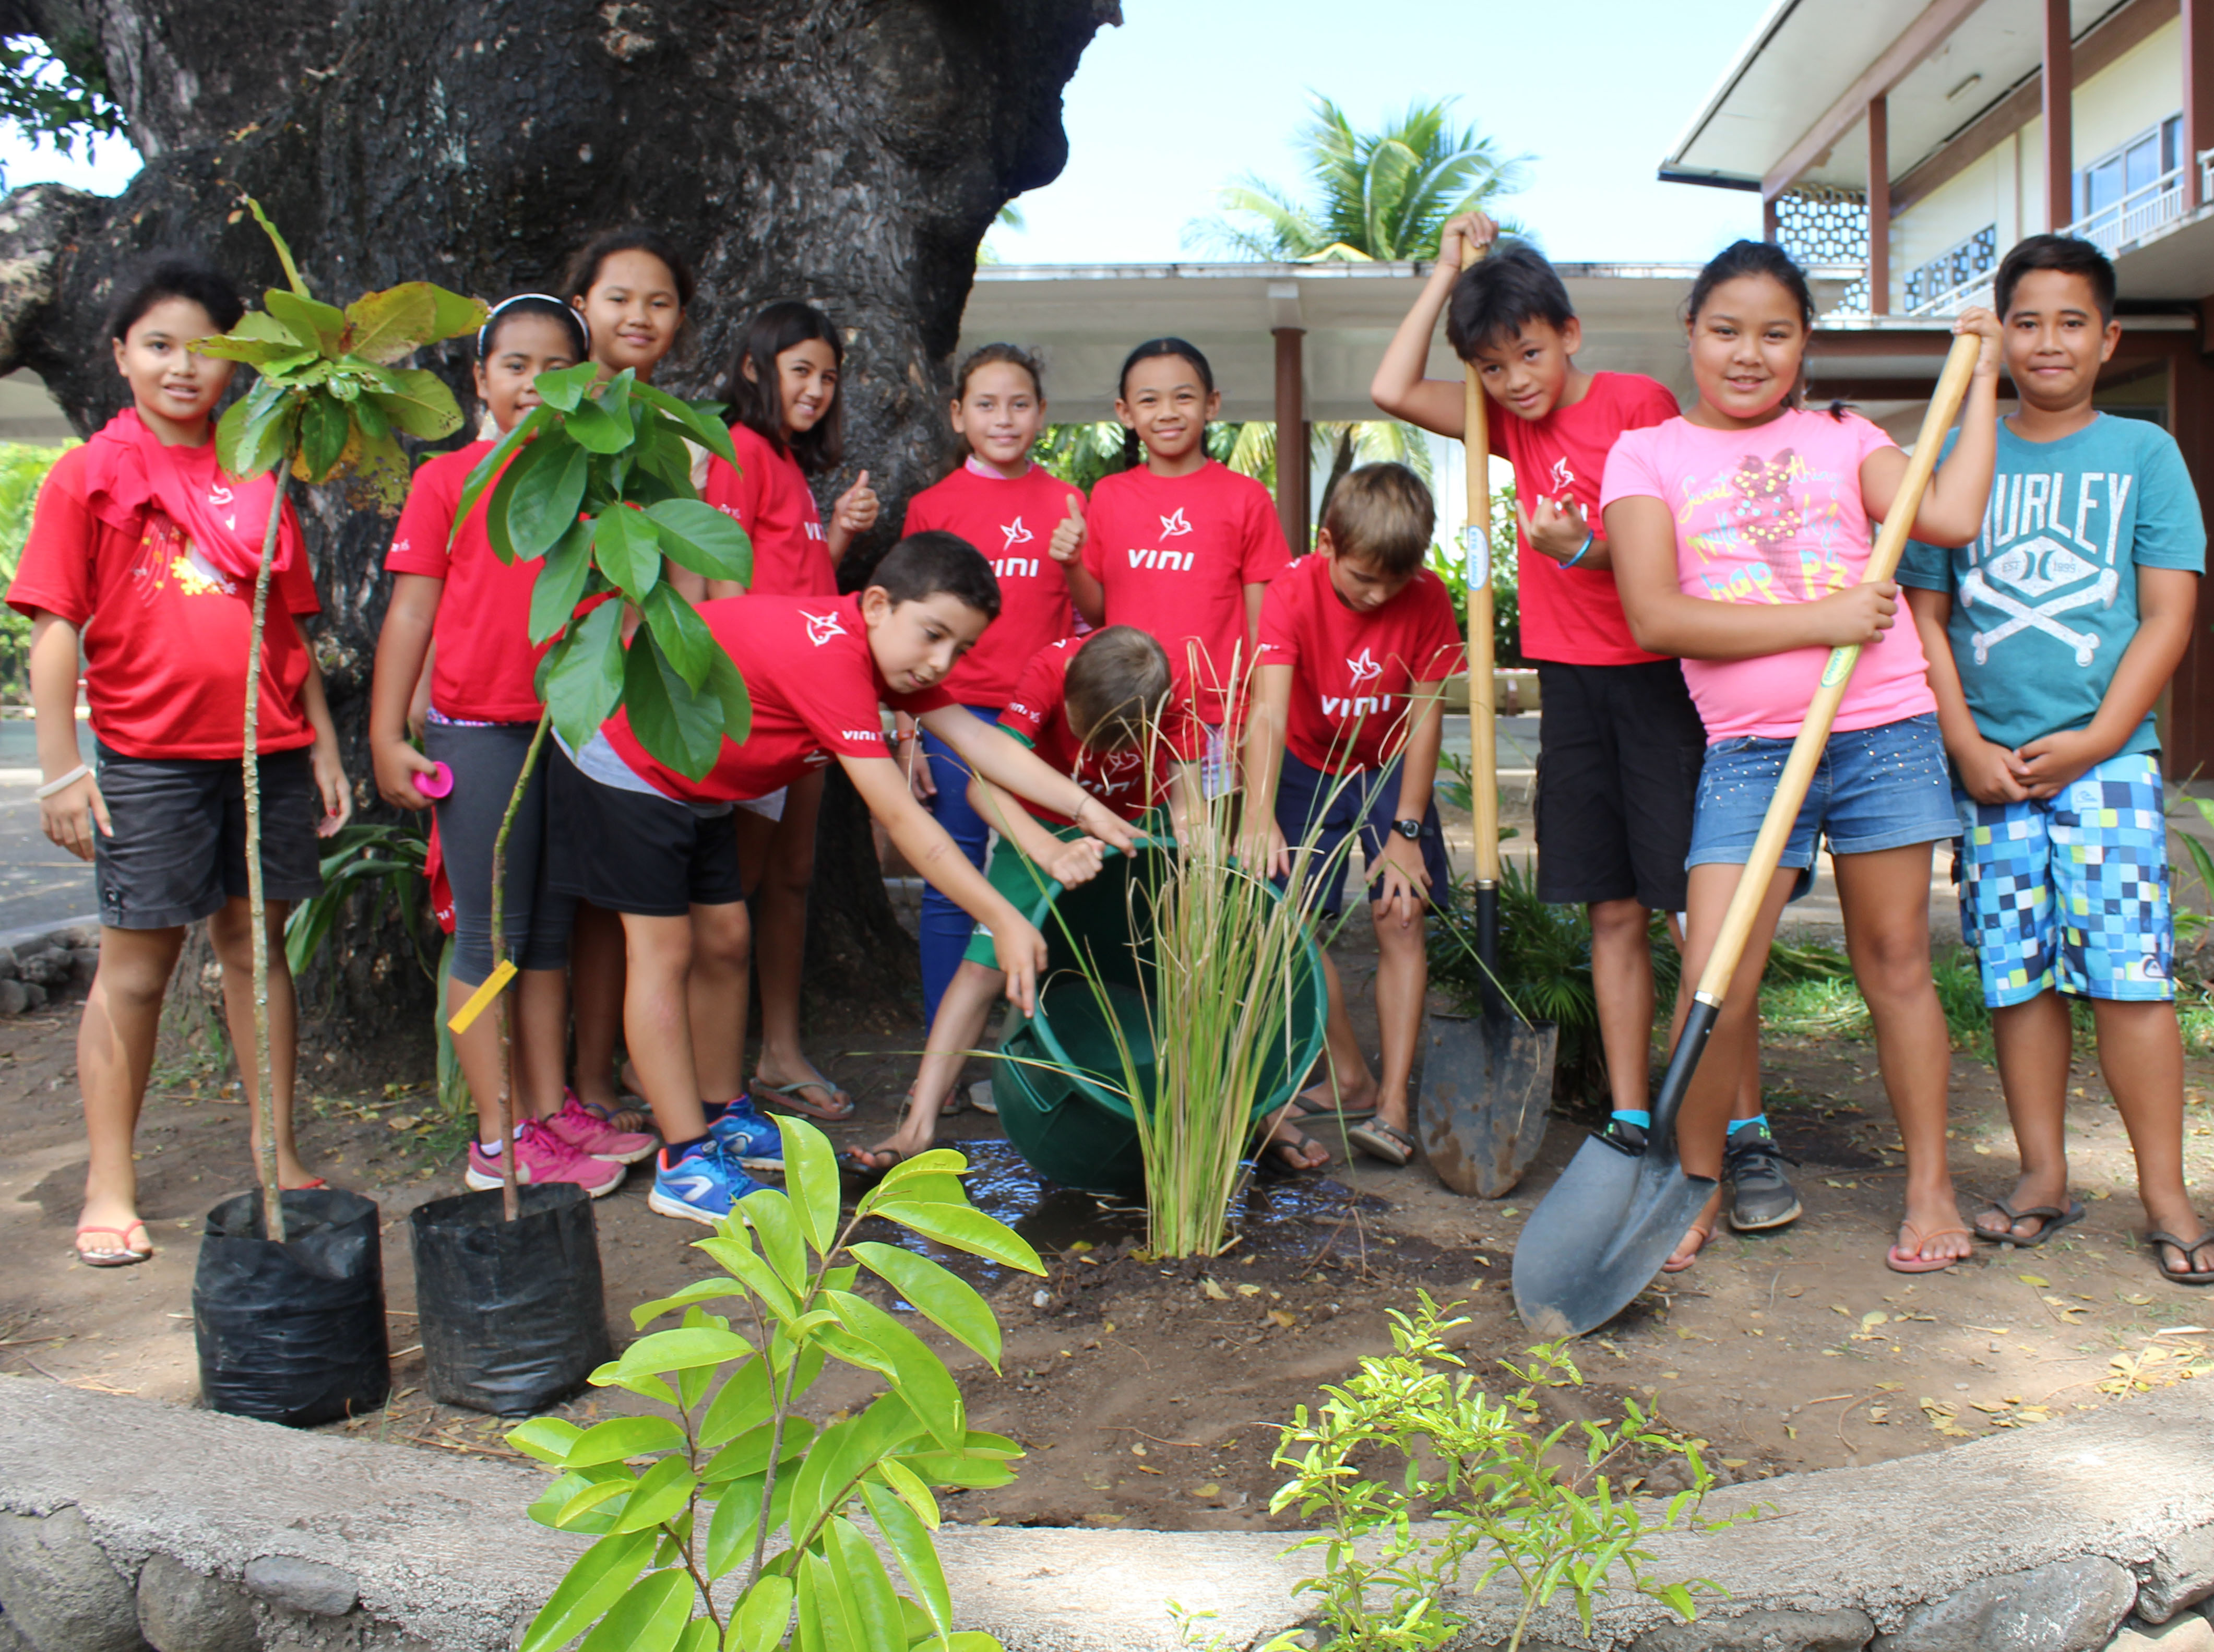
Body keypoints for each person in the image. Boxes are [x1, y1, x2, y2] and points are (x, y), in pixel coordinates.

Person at [1370, 216, 1796, 1232]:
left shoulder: (1638, 404)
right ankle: (1630, 1119)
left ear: (1568, 333)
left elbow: (1675, 535)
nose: (1515, 378)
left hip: (1662, 679)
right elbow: (1392, 387)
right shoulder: (1499, 421)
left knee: (1702, 922)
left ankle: (1745, 1129)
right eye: (1491, 364)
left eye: (1529, 352)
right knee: (1611, 911)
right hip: (1572, 683)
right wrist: (1443, 277)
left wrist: (1585, 545)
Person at [1602, 239, 2003, 1275]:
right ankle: (1693, 1188)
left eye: (1774, 333)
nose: (1749, 353)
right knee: (1715, 974)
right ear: (1692, 333)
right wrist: (1823, 614)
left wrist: (1985, 375)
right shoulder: (1648, 455)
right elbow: (1655, 613)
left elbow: (1950, 514)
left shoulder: (1842, 435)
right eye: (1727, 330)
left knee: (1898, 964)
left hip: (1882, 730)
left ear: (1803, 345)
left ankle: (1930, 1188)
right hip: (1749, 751)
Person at [545, 531, 1138, 1223]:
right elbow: (901, 816)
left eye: (961, 649)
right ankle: (684, 1161)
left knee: (728, 936)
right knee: (664, 949)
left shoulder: (886, 651)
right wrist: (1003, 917)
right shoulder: (832, 661)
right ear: (879, 604)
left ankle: (720, 1110)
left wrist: (1087, 809)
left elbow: (978, 740)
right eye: (933, 636)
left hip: (703, 772)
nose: (939, 662)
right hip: (628, 753)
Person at [9, 260, 352, 1266]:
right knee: (137, 967)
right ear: (120, 356)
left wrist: (322, 743)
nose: (182, 365)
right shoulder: (89, 473)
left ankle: (277, 1153)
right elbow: (55, 626)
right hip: (151, 759)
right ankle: (109, 1183)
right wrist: (62, 768)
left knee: (258, 952)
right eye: (159, 344)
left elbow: (285, 622)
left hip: (267, 755)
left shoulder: (261, 467)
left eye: (205, 346)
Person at [1900, 234, 2213, 1285]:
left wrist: (2097, 737)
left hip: (2110, 764)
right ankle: (2042, 1175)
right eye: (2025, 320)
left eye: (2071, 321)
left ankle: (2167, 1194)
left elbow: (2169, 616)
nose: (2047, 341)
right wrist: (1964, 744)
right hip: (1992, 770)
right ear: (1996, 335)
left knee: (2131, 980)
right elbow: (1927, 616)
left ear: (2110, 337)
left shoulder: (2141, 455)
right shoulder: (1958, 453)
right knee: (2016, 976)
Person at [370, 294, 653, 1198]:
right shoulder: (447, 481)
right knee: (487, 938)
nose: (535, 384)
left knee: (545, 937)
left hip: (568, 734)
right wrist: (385, 733)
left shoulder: (598, 480)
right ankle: (496, 1138)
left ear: (589, 381)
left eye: (555, 367)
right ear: (480, 378)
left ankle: (545, 1108)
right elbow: (412, 608)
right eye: (514, 366)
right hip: (479, 733)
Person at [847, 625, 1201, 1175]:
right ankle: (916, 1128)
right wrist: (1045, 850)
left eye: (1115, 746)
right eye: (1086, 736)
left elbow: (1188, 802)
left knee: (1176, 961)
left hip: (1135, 828)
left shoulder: (1172, 689)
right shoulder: (1049, 669)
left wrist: (1185, 862)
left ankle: (1241, 1118)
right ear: (1068, 691)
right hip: (1039, 829)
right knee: (982, 966)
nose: (1094, 755)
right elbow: (983, 786)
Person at [689, 300, 882, 1124]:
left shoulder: (789, 465)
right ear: (755, 369)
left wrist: (834, 535)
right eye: (801, 370)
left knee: (792, 879)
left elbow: (796, 589)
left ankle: (776, 1050)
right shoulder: (738, 449)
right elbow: (730, 598)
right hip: (758, 702)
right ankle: (720, 1063)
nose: (816, 388)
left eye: (828, 376)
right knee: (737, 885)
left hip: (802, 698)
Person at [1241, 464, 1463, 1170]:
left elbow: (1426, 718)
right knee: (1289, 922)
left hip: (1390, 762)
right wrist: (1257, 812)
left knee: (1398, 915)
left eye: (1393, 583)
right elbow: (1268, 710)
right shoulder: (1292, 588)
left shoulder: (1428, 599)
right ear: (1327, 542)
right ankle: (1350, 1074)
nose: (1377, 596)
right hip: (1309, 762)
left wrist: (1405, 830)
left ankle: (1392, 1103)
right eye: (1362, 578)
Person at [897, 342, 1086, 1027]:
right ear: (957, 414)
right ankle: (947, 1057)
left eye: (1018, 404)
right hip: (952, 713)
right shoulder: (931, 506)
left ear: (1040, 414)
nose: (1002, 419)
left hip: (1044, 719)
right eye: (985, 404)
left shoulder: (1068, 500)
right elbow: (901, 633)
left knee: (1053, 873)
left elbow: (1087, 611)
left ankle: (1036, 1048)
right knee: (953, 881)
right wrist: (906, 732)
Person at [557, 227, 698, 1138]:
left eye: (658, 301)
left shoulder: (675, 429)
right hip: (563, 689)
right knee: (570, 916)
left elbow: (688, 569)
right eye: (619, 298)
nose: (638, 316)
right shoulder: (553, 413)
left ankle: (609, 1082)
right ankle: (576, 1086)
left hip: (639, 692)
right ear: (582, 306)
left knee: (635, 917)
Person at [1078, 338, 1291, 790]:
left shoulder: (1246, 498)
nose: (1168, 411)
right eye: (1149, 400)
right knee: (1140, 852)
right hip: (1127, 714)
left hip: (1214, 721)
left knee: (1210, 853)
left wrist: (1249, 720)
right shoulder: (1110, 496)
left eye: (1184, 396)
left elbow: (1265, 632)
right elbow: (1098, 613)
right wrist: (1069, 563)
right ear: (1125, 412)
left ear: (1212, 405)